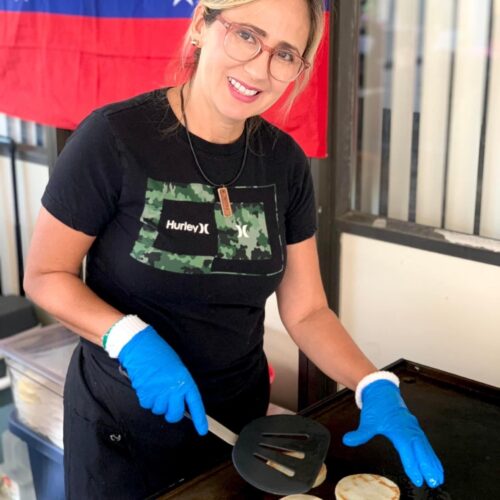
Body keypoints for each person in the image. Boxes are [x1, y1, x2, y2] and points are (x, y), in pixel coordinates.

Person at [24, 0, 444, 498]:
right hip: (122, 428)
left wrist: (373, 385)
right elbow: (46, 275)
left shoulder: (284, 163)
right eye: (247, 35)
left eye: (285, 53)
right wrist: (126, 338)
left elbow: (307, 310)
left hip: (239, 433)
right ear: (202, 24)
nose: (260, 68)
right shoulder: (114, 139)